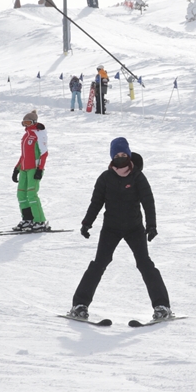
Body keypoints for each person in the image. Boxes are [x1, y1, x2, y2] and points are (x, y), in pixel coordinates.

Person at [68, 137, 171, 322]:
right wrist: (86, 223)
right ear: (112, 156)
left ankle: (162, 306)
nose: (121, 158)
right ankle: (79, 305)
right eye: (117, 155)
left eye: (124, 154)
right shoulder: (105, 178)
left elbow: (148, 201)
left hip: (134, 228)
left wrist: (151, 225)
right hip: (111, 228)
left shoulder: (138, 176)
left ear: (129, 155)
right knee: (99, 264)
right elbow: (96, 203)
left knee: (145, 264)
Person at [12, 109, 50, 230]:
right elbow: (23, 155)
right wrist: (16, 169)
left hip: (34, 168)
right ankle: (28, 219)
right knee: (21, 194)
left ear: (34, 122)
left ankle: (40, 221)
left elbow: (44, 153)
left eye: (28, 123)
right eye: (24, 123)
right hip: (24, 169)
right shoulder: (25, 136)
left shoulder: (38, 134)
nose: (26, 125)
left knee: (32, 194)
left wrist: (40, 169)